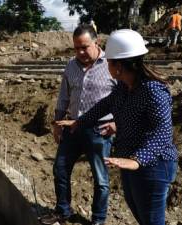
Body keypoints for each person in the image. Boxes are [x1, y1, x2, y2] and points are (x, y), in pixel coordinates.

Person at [56, 29, 178, 225]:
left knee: (152, 220)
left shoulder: (153, 91)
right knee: (141, 215)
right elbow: (104, 105)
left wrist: (138, 160)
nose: (106, 65)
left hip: (153, 164)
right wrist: (80, 121)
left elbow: (163, 134)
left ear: (118, 66)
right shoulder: (124, 87)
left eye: (109, 62)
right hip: (129, 159)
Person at [40, 24, 117, 225]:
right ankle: (63, 211)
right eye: (76, 48)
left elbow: (125, 98)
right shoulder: (71, 66)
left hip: (99, 130)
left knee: (100, 180)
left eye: (84, 47)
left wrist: (117, 123)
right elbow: (63, 97)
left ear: (96, 42)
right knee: (60, 169)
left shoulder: (112, 64)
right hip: (72, 127)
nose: (80, 52)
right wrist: (57, 123)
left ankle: (98, 220)